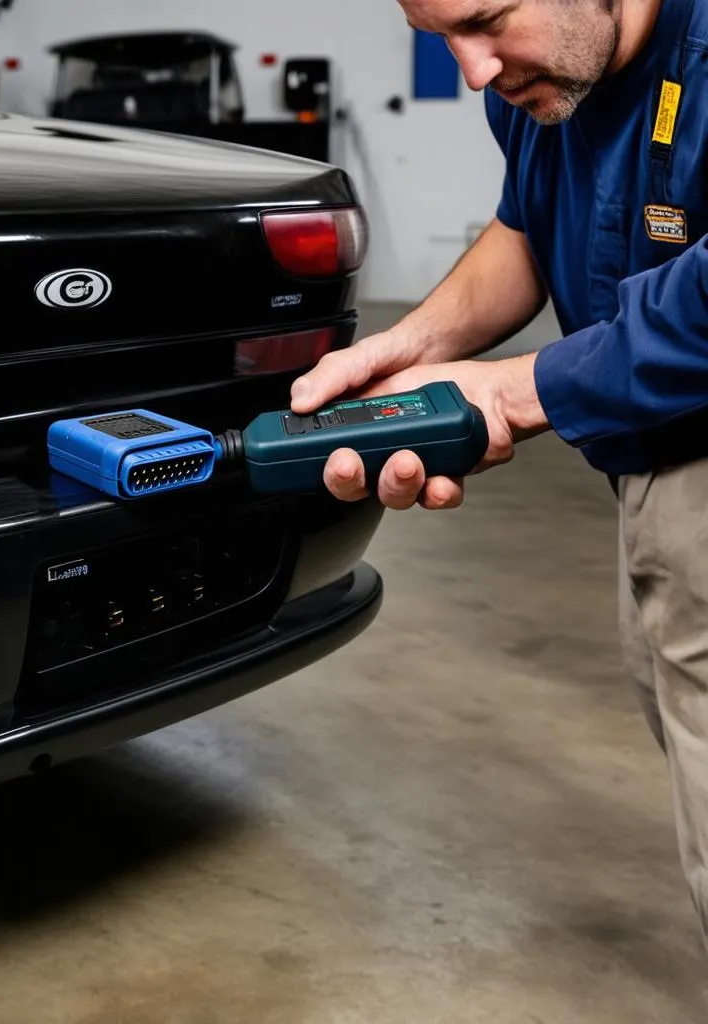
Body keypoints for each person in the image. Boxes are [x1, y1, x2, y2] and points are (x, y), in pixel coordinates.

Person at [291, 0, 708, 950]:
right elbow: (525, 229)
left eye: (487, 20)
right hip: (639, 455)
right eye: (442, 36)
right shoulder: (543, 76)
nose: (473, 70)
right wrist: (404, 356)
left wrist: (515, 392)